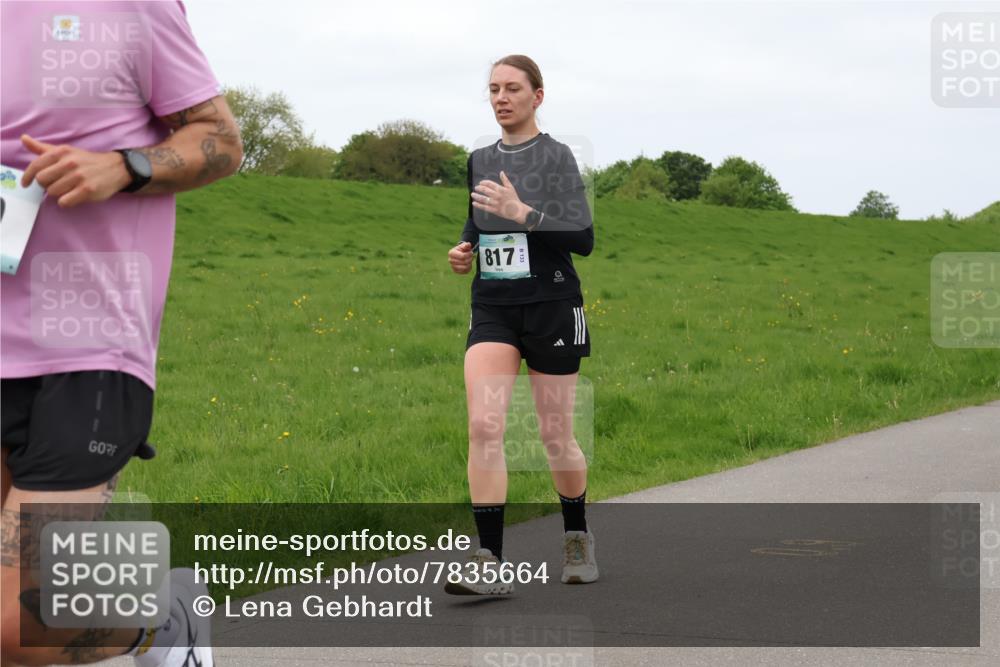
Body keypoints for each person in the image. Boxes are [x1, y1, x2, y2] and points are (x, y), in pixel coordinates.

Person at [1, 2, 242, 665]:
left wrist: (124, 166)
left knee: (19, 624)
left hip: (87, 351)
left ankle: (164, 622)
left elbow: (219, 139)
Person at [445, 55, 597, 596]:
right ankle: (489, 563)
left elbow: (582, 238)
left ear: (538, 95)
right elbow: (477, 218)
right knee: (484, 427)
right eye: (493, 88)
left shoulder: (557, 158)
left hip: (552, 305)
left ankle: (576, 536)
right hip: (494, 305)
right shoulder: (480, 158)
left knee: (556, 435)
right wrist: (466, 248)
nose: (501, 97)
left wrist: (523, 214)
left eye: (513, 88)